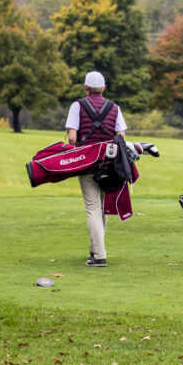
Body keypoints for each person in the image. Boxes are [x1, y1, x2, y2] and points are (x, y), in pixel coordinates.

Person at [65, 70, 129, 267]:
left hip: (86, 163)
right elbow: (121, 136)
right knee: (101, 207)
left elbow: (72, 138)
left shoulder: (77, 105)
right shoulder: (114, 107)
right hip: (108, 163)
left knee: (92, 208)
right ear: (103, 88)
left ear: (85, 87)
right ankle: (95, 250)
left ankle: (99, 255)